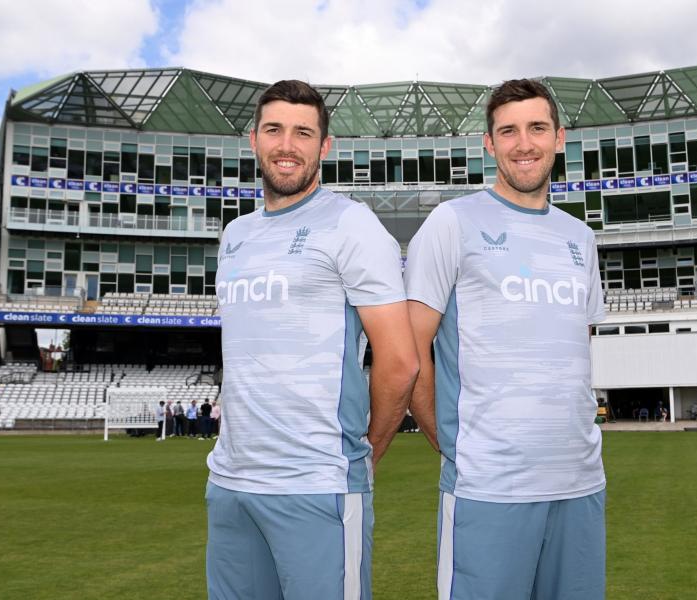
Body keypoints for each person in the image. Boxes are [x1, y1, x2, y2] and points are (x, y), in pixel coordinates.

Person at [205, 80, 419, 600]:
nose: (287, 145)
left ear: (324, 147)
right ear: (253, 139)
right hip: (231, 484)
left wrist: (366, 454)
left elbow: (401, 360)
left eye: (304, 133)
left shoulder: (352, 224)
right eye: (275, 130)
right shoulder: (235, 235)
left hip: (316, 484)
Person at [404, 79, 607, 600]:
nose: (524, 143)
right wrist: (447, 443)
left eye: (537, 128)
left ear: (559, 138)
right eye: (509, 131)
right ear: (490, 144)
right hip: (489, 487)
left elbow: (578, 349)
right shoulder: (452, 222)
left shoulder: (579, 237)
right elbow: (408, 350)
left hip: (579, 483)